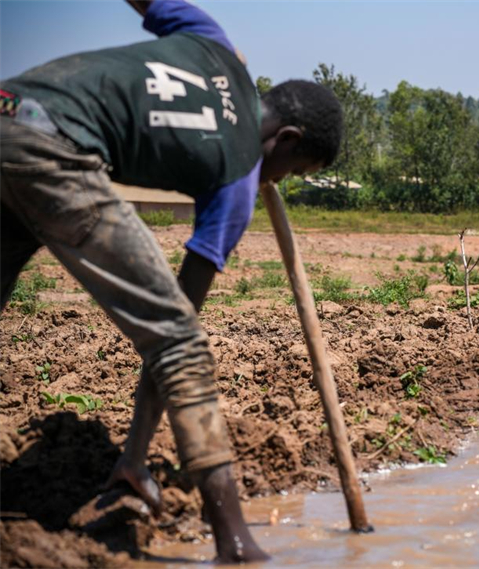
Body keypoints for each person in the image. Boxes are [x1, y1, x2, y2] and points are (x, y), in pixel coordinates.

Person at [0, 0, 342, 562]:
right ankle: (236, 542)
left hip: (11, 109)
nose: (278, 182)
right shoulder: (238, 180)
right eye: (293, 173)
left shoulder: (212, 40)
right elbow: (176, 335)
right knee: (183, 345)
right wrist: (136, 453)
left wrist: (134, 460)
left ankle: (135, 473)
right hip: (54, 150)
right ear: (285, 139)